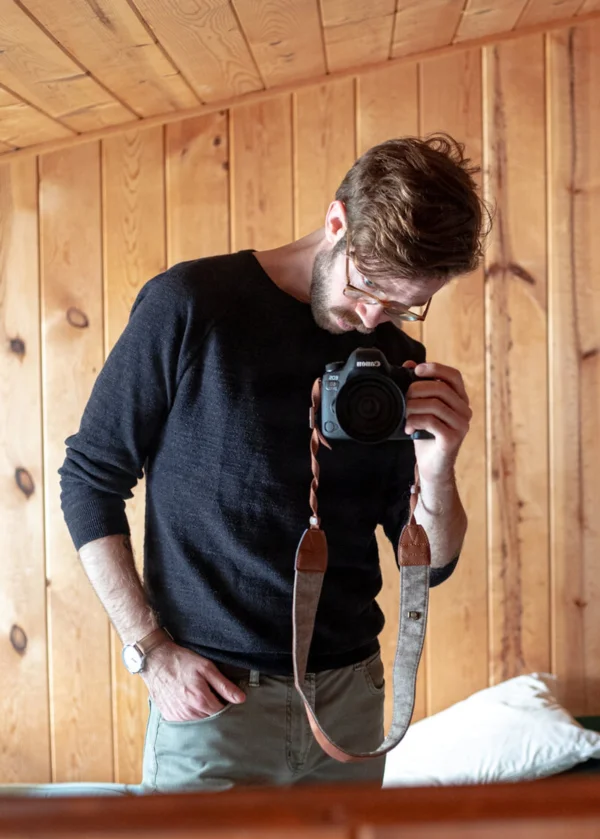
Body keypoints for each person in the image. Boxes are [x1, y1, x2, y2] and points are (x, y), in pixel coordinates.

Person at [59, 133, 489, 792]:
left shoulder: (395, 362)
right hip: (214, 701)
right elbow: (89, 480)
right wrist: (149, 650)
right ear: (337, 222)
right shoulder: (192, 305)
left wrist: (439, 465)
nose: (372, 317)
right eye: (367, 285)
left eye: (404, 304)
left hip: (351, 702)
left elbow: (430, 568)